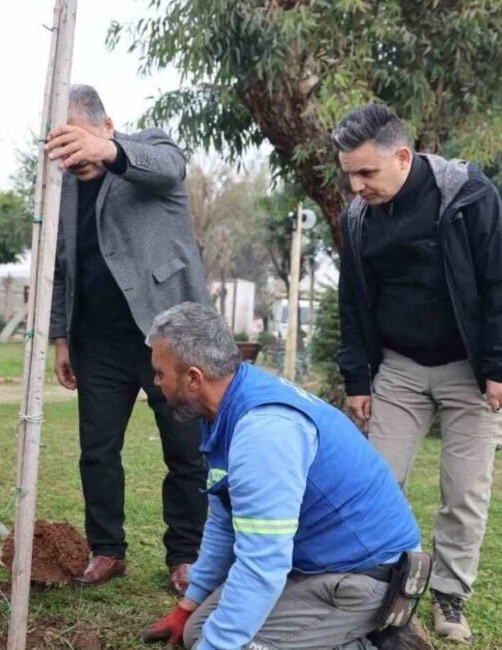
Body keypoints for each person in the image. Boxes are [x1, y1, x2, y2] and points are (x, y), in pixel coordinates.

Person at [332, 104, 502, 642]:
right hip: (398, 368)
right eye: (349, 173)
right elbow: (352, 304)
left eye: (366, 173)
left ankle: (450, 596)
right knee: (374, 481)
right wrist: (357, 379)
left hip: (472, 370)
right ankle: (378, 585)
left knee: (464, 492)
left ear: (403, 156)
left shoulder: (467, 193)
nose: (356, 185)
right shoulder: (358, 217)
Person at [141, 302, 423, 650]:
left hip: (366, 576)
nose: (155, 383)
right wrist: (188, 607)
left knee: (229, 643)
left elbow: (263, 563)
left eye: (159, 374)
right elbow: (223, 521)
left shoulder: (263, 431)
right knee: (198, 631)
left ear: (194, 378)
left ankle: (377, 640)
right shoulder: (228, 406)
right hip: (319, 564)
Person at [47, 84, 208, 596]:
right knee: (96, 451)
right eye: (61, 145)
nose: (73, 156)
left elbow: (171, 166)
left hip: (168, 337)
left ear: (107, 125)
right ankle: (107, 550)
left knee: (185, 451)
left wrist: (109, 152)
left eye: (80, 141)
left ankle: (185, 556)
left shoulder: (147, 149)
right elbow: (61, 268)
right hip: (97, 341)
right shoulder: (62, 186)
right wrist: (61, 338)